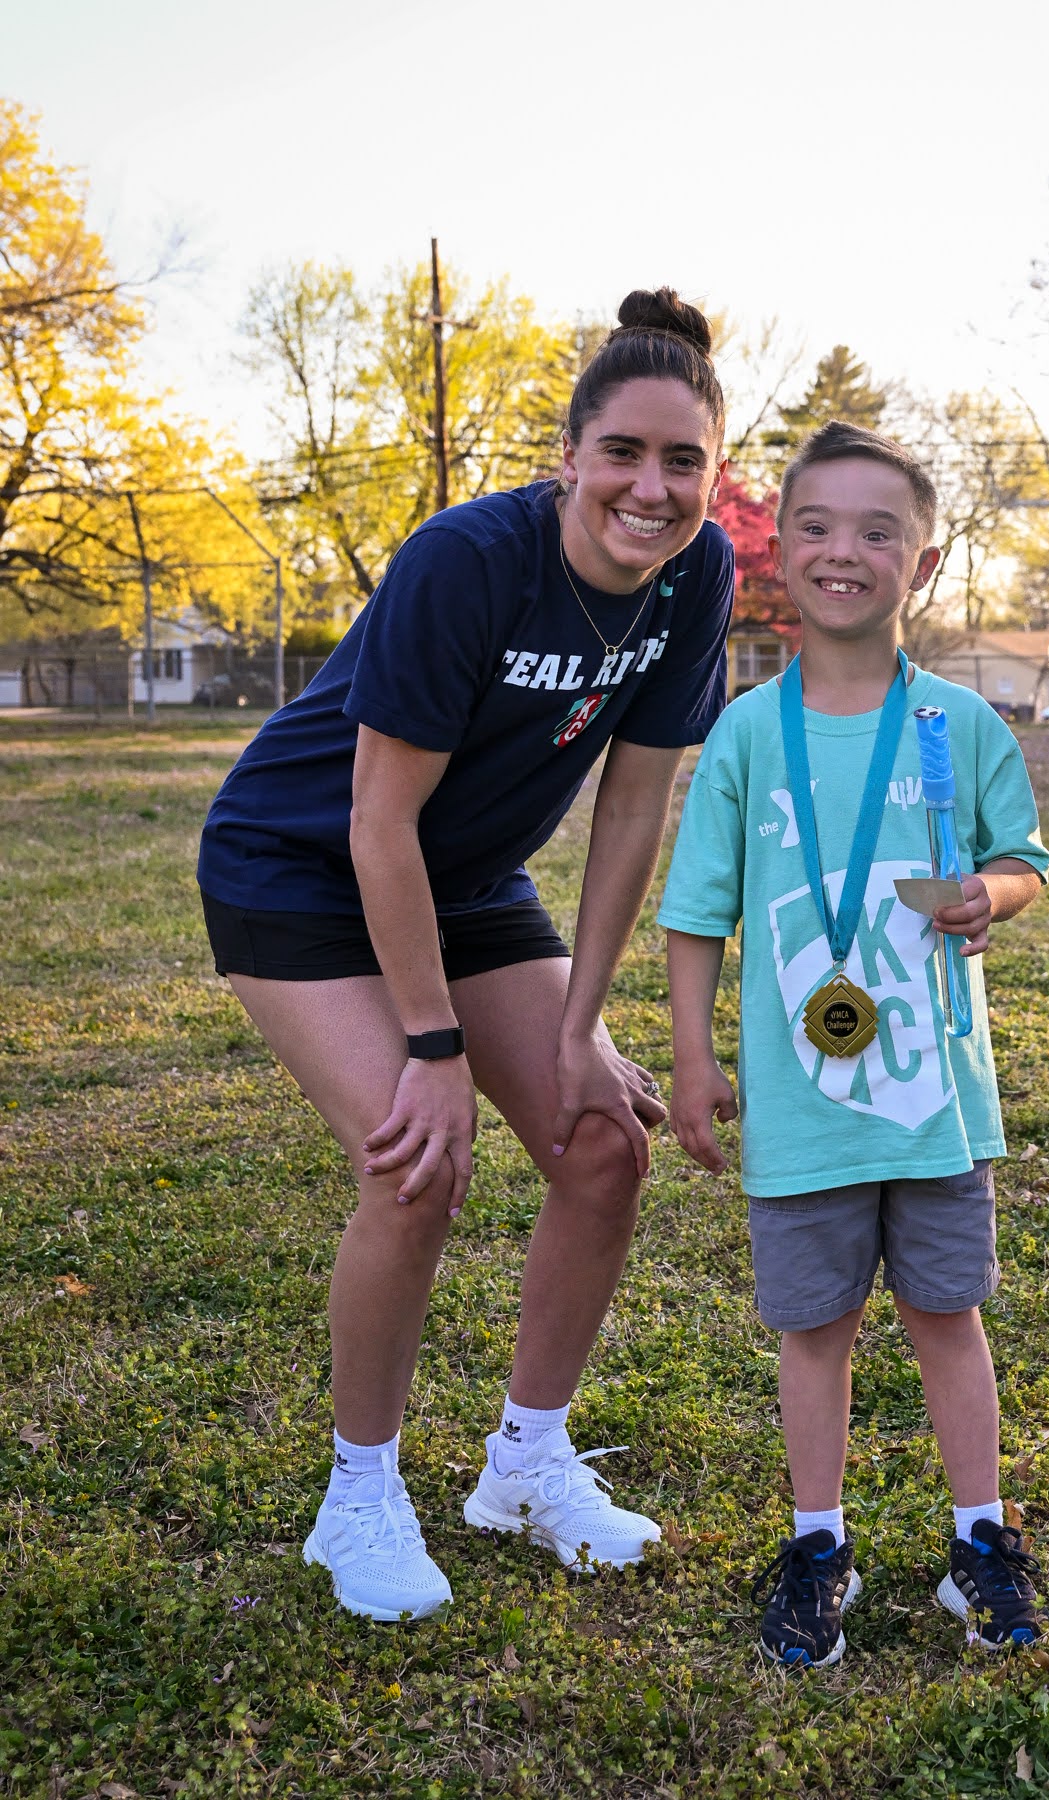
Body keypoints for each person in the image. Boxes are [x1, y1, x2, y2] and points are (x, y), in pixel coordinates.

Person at [196, 289, 736, 1622]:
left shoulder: (699, 574)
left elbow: (633, 806)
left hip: (471, 883)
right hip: (304, 866)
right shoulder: (466, 560)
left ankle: (525, 1465)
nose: (651, 489)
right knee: (416, 1165)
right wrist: (433, 1047)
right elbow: (377, 821)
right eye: (624, 452)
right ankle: (358, 1495)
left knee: (605, 1140)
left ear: (715, 477)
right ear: (569, 455)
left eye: (684, 463)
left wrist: (581, 1020)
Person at [658, 422, 1049, 1665]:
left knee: (949, 1314)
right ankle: (818, 1544)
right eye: (818, 526)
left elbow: (1024, 859)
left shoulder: (959, 725)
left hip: (933, 1100)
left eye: (880, 532)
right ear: (781, 557)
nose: (846, 552)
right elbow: (696, 912)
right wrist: (689, 1058)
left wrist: (997, 893)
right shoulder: (745, 736)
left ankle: (980, 1540)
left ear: (922, 566)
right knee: (814, 1328)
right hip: (798, 1105)